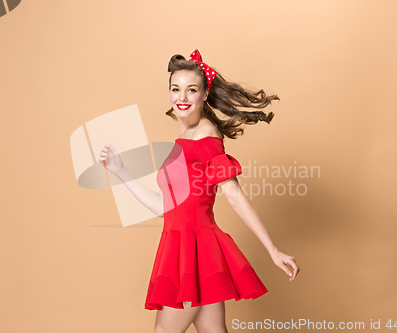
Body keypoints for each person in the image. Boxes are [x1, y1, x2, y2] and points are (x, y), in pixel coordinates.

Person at [99, 49, 300, 333]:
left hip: (192, 253)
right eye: (175, 89)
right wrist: (121, 171)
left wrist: (273, 250)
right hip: (187, 250)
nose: (181, 98)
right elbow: (163, 208)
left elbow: (232, 193)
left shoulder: (205, 137)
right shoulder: (185, 138)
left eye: (191, 90)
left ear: (204, 94)